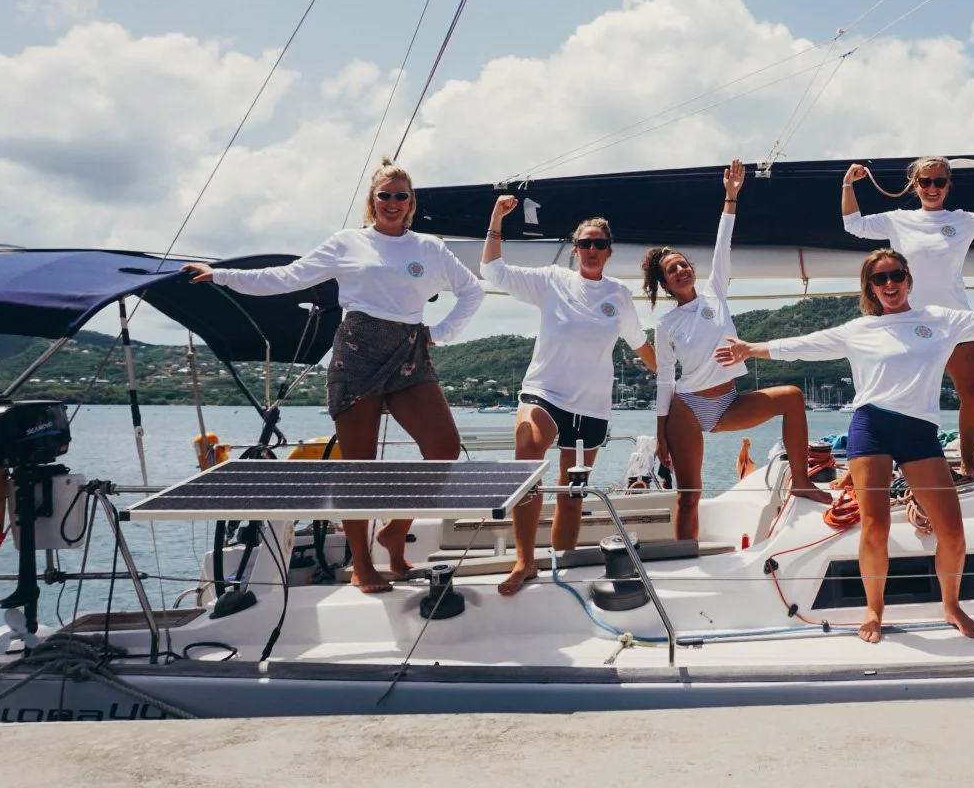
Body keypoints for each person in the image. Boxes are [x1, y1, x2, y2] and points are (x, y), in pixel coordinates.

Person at [716, 248, 974, 643]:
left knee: (953, 532)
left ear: (908, 279)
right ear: (870, 288)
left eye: (895, 276)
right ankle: (874, 609)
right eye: (880, 279)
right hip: (871, 427)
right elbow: (804, 345)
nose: (889, 284)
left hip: (918, 432)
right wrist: (750, 349)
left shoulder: (940, 320)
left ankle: (951, 605)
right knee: (875, 526)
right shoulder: (859, 330)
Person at [184, 159, 485, 593]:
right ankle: (363, 565)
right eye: (385, 196)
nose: (393, 203)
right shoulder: (347, 243)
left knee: (444, 447)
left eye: (402, 196)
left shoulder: (429, 248)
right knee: (358, 468)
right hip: (356, 353)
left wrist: (440, 333)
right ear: (373, 201)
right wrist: (222, 275)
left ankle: (395, 532)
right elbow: (287, 277)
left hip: (408, 353)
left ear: (411, 202)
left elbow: (471, 290)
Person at [643, 160, 832, 541]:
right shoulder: (666, 325)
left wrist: (731, 197)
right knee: (690, 494)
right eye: (672, 270)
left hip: (728, 402)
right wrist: (660, 430)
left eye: (682, 264)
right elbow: (665, 378)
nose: (680, 270)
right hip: (688, 408)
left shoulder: (715, 291)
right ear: (665, 284)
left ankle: (800, 482)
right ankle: (684, 558)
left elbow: (722, 245)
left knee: (792, 397)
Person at [483, 207, 657, 594]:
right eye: (584, 243)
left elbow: (640, 342)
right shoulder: (551, 280)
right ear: (574, 249)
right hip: (545, 391)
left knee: (572, 493)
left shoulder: (618, 295)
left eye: (600, 244)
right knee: (528, 452)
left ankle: (563, 566)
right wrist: (497, 219)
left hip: (591, 407)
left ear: (609, 251)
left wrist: (673, 380)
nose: (592, 249)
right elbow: (492, 271)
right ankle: (525, 562)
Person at [842, 157, 974, 482]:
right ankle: (880, 464)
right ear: (915, 185)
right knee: (889, 395)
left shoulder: (963, 220)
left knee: (973, 392)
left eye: (939, 182)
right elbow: (853, 224)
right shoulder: (898, 220)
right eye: (925, 182)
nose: (932, 188)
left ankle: (968, 463)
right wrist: (848, 185)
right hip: (906, 323)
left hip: (955, 320)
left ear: (947, 185)